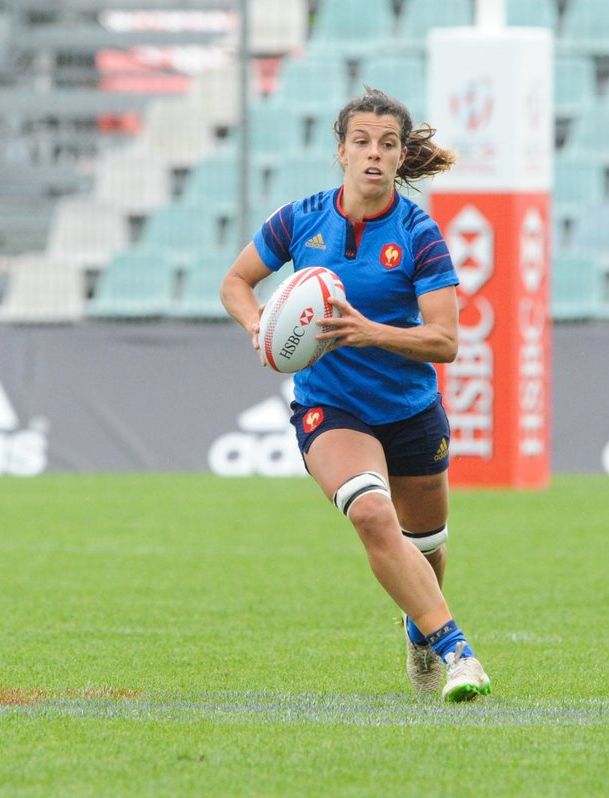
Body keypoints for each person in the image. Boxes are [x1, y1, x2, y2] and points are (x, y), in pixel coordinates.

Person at [220, 88, 490, 703]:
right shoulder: (299, 219)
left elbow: (445, 341)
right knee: (370, 513)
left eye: (387, 144)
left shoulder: (419, 233)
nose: (373, 153)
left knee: (428, 548)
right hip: (331, 406)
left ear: (401, 157)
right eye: (362, 142)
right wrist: (260, 326)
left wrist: (371, 332)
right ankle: (458, 654)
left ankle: (419, 630)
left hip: (410, 410)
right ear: (341, 151)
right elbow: (236, 282)